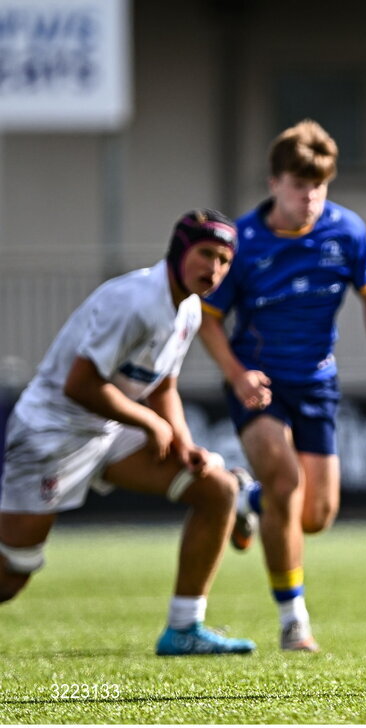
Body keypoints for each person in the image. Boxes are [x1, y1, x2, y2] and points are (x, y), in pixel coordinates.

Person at [0, 209, 256, 656]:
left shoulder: (190, 309)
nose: (213, 268)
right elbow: (79, 385)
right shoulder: (135, 301)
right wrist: (150, 423)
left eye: (223, 260)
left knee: (215, 489)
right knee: (10, 576)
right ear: (179, 252)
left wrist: (181, 438)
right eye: (205, 254)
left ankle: (183, 629)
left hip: (108, 432)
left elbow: (164, 385)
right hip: (51, 435)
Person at [199, 119, 366, 652]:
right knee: (287, 485)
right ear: (274, 183)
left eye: (319, 185)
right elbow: (208, 317)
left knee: (316, 515)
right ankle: (294, 620)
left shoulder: (347, 232)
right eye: (299, 185)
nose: (310, 196)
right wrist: (237, 374)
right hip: (259, 385)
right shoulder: (242, 240)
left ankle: (248, 497)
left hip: (317, 383)